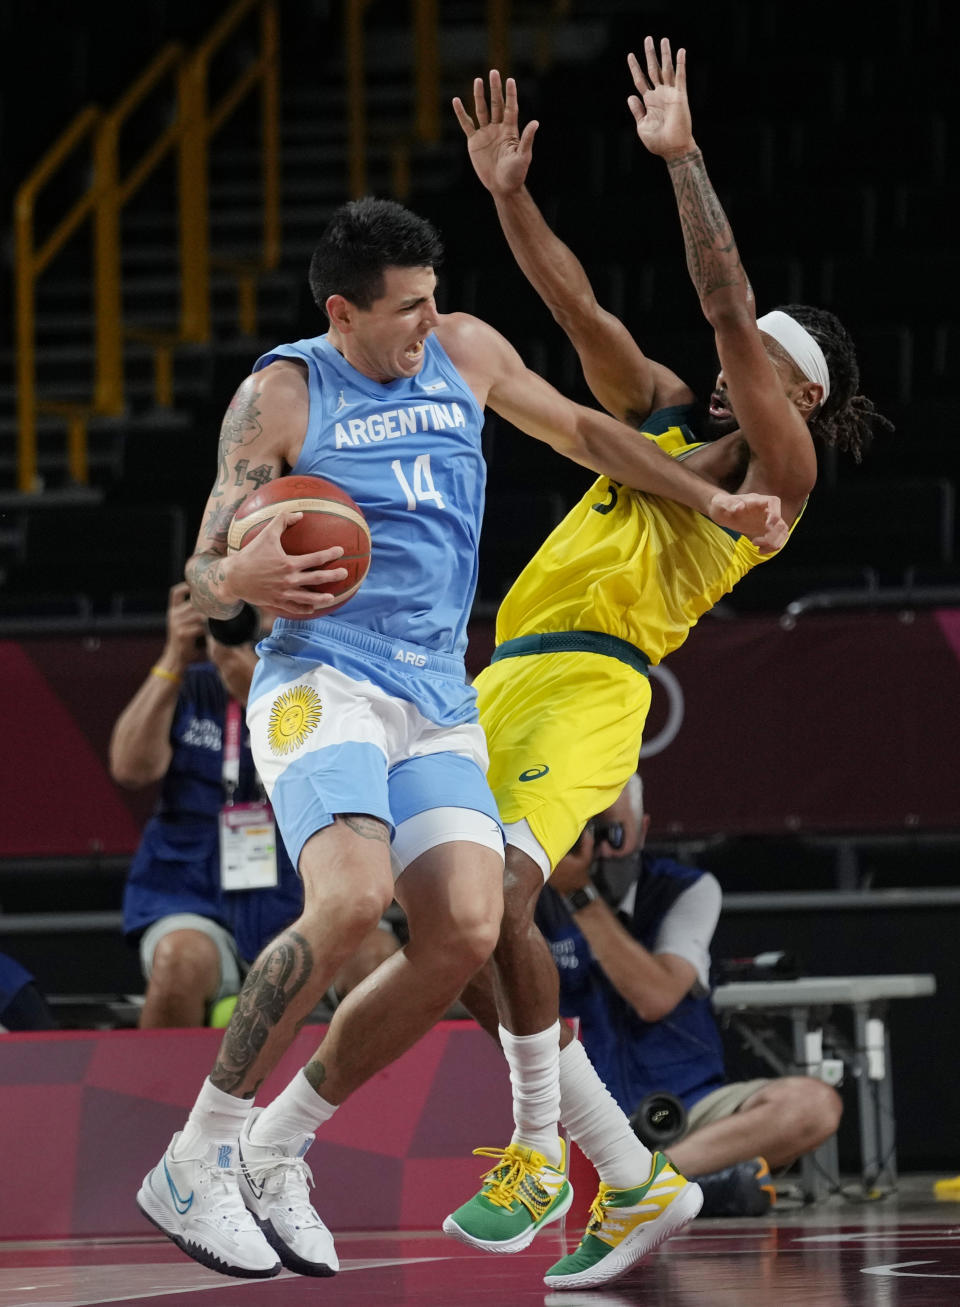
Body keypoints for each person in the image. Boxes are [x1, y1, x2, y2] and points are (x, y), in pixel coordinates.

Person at [135, 179, 787, 1279]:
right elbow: (208, 556)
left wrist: (703, 495)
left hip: (437, 697)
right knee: (347, 900)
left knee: (466, 933)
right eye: (406, 309)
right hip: (322, 681)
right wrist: (230, 574)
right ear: (344, 314)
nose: (427, 323)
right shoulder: (285, 392)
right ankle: (198, 1152)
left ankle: (282, 1153)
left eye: (434, 300)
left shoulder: (467, 351)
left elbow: (583, 427)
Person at [446, 41, 888, 1290]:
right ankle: (625, 1175)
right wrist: (508, 195)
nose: (756, 384)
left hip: (594, 677)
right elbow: (579, 310)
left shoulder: (778, 477)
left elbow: (724, 301)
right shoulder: (659, 410)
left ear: (797, 399)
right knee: (435, 923)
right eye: (763, 378)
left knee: (500, 901)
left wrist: (684, 158)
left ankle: (545, 1151)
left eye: (779, 380)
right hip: (499, 671)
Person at [542, 774, 842, 1216]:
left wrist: (579, 894)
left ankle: (644, 1185)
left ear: (643, 830)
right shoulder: (527, 899)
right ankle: (687, 1190)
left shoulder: (685, 889)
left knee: (813, 1104)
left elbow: (655, 997)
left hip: (682, 1114)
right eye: (579, 832)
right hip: (576, 1120)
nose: (595, 849)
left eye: (612, 833)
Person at [111, 582, 398, 1029]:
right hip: (196, 899)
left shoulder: (335, 684)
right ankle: (164, 1098)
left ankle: (390, 1100)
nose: (260, 620)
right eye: (251, 604)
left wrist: (261, 695)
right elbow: (131, 769)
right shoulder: (192, 686)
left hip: (312, 901)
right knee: (178, 960)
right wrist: (173, 659)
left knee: (376, 960)